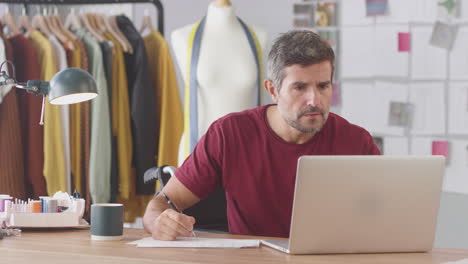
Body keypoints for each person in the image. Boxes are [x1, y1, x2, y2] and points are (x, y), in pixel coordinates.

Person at [143, 30, 380, 241]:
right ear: (272, 90)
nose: (314, 100)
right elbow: (160, 204)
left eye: (323, 86)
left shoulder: (356, 142)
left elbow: (386, 213)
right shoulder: (229, 134)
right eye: (300, 87)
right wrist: (158, 223)